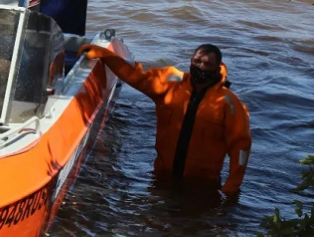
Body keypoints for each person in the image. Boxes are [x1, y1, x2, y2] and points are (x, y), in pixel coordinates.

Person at [78, 42, 251, 194]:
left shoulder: (229, 104)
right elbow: (136, 76)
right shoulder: (171, 83)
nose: (201, 67)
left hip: (202, 185)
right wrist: (104, 54)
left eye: (207, 64)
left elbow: (241, 148)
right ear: (191, 61)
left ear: (217, 67)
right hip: (162, 176)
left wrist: (232, 186)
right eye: (197, 62)